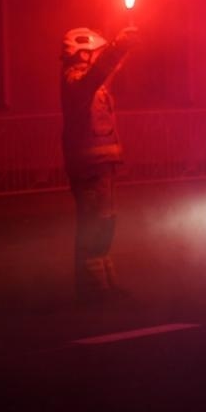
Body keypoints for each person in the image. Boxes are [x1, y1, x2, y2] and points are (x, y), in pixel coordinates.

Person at [61, 25, 140, 304]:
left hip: (102, 167)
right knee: (94, 225)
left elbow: (106, 69)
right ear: (83, 55)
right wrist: (118, 46)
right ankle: (93, 292)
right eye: (95, 53)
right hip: (89, 168)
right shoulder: (76, 82)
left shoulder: (92, 84)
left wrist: (126, 46)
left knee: (105, 223)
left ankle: (105, 286)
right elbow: (97, 73)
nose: (99, 57)